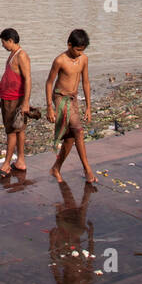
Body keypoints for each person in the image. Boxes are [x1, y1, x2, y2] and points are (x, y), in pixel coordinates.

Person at [47, 29, 96, 184]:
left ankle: (56, 168)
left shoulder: (84, 59)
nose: (79, 53)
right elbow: (49, 83)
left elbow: (86, 82)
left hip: (73, 98)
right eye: (77, 50)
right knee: (79, 131)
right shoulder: (60, 60)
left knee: (70, 138)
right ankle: (88, 170)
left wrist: (89, 106)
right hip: (60, 98)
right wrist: (49, 106)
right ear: (69, 45)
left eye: (82, 50)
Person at [0, 29, 32, 180]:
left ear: (10, 40)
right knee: (19, 130)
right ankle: (20, 160)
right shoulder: (13, 54)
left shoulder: (21, 55)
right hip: (10, 98)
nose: (3, 45)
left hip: (15, 99)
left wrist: (26, 103)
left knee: (11, 132)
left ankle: (7, 164)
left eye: (3, 42)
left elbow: (28, 79)